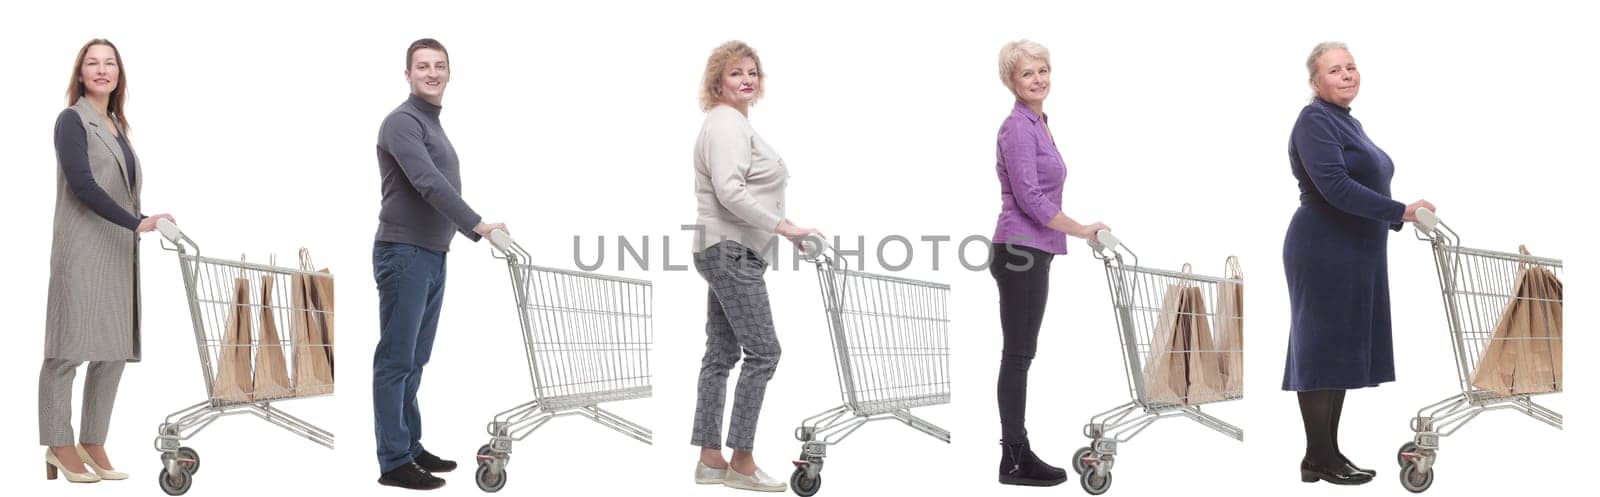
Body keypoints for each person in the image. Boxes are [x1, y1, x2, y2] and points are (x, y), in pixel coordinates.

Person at [1281, 41, 1435, 486]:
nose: (1347, 75)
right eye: (1335, 70)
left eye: (1351, 67)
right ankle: (1319, 457)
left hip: (1356, 248)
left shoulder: (1346, 122)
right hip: (1324, 246)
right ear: (1315, 82)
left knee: (1339, 350)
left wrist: (1394, 216)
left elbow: (1360, 184)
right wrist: (1400, 211)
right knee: (1321, 348)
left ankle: (1325, 455)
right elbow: (1335, 186)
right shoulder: (1314, 120)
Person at [371, 37, 508, 491]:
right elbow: (427, 182)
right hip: (403, 253)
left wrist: (463, 233)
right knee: (395, 359)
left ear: (449, 73)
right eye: (423, 66)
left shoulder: (431, 122)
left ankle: (409, 446)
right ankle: (393, 461)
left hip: (431, 253)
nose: (432, 73)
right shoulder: (401, 123)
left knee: (416, 358)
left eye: (440, 66)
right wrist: (478, 225)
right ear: (407, 74)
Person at [42, 38, 175, 484]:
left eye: (109, 63)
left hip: (117, 250)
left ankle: (92, 440)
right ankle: (59, 444)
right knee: (68, 348)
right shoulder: (71, 121)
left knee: (113, 350)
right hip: (82, 249)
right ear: (80, 75)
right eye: (92, 64)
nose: (101, 70)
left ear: (119, 74)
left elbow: (120, 187)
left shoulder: (116, 123)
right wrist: (137, 222)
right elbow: (83, 185)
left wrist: (144, 220)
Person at [689, 40, 819, 493]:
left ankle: (710, 458)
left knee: (722, 354)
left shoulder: (734, 123)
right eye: (735, 73)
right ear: (717, 83)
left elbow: (747, 192)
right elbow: (729, 191)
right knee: (765, 353)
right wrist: (783, 227)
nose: (746, 79)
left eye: (752, 72)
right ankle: (741, 461)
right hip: (729, 250)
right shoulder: (726, 124)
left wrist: (789, 231)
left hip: (726, 248)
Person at [989, 39, 1110, 487]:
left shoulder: (1038, 121)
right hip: (1019, 250)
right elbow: (1030, 198)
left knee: (1022, 354)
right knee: (1017, 356)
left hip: (1033, 250)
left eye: (1043, 70)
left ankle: (1016, 454)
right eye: (1027, 74)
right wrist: (1080, 229)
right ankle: (1014, 458)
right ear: (1010, 81)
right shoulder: (1017, 127)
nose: (1038, 79)